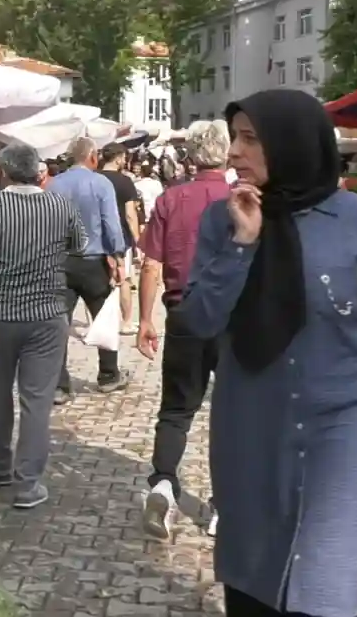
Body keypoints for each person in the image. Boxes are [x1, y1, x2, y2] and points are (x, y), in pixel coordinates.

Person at [179, 89, 357, 617]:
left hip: (347, 421)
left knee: (327, 578)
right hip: (251, 423)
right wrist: (242, 245)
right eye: (234, 138)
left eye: (250, 139)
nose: (233, 152)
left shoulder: (353, 217)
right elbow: (199, 319)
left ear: (291, 143)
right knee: (253, 570)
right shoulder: (221, 220)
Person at [0, 142, 88, 509]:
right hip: (47, 313)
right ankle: (28, 483)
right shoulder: (60, 205)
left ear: (3, 172)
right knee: (37, 400)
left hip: (0, 312)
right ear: (38, 172)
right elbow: (81, 246)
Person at [135, 119, 233, 541]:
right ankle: (223, 505)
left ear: (191, 155)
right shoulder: (242, 200)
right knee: (232, 413)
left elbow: (151, 264)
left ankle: (162, 484)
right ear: (226, 153)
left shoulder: (172, 199)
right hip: (232, 319)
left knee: (176, 409)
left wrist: (144, 320)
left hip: (184, 312)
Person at [46, 137, 128, 400]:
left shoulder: (54, 184)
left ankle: (59, 385)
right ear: (92, 156)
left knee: (59, 323)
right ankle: (108, 375)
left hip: (61, 261)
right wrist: (118, 255)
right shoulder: (100, 183)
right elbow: (111, 223)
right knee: (104, 317)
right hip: (94, 261)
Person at [99, 144, 143, 332]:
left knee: (98, 281)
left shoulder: (94, 178)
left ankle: (97, 322)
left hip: (96, 235)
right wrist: (138, 240)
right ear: (118, 158)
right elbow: (130, 214)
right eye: (124, 158)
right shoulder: (124, 181)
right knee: (123, 279)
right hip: (120, 236)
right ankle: (126, 321)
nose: (125, 161)